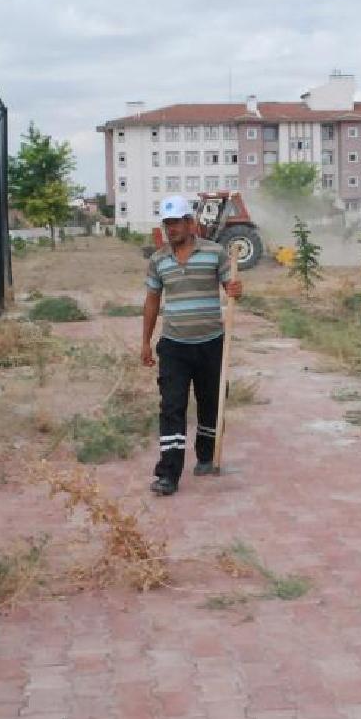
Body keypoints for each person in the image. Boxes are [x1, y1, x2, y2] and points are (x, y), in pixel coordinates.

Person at [140, 195, 241, 496]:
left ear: (189, 223)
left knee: (211, 402)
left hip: (211, 343)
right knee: (172, 407)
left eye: (175, 223)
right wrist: (145, 342)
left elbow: (231, 287)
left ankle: (206, 457)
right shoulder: (158, 260)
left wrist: (236, 289)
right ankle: (168, 474)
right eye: (167, 223)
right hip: (174, 345)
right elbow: (152, 301)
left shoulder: (214, 253)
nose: (171, 229)